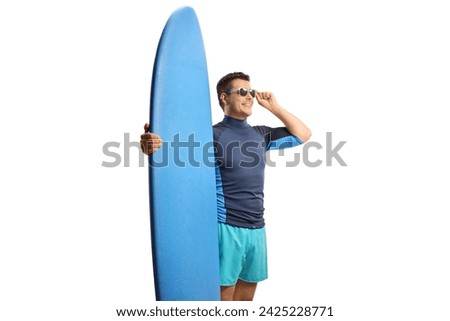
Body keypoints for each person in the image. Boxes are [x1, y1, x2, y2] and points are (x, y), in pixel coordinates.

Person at [141, 72, 311, 301]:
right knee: (223, 300)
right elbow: (167, 146)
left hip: (257, 228)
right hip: (227, 228)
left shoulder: (260, 135)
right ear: (224, 98)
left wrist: (274, 107)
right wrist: (151, 143)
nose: (249, 96)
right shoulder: (211, 135)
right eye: (242, 92)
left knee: (245, 301)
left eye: (251, 92)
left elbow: (303, 134)